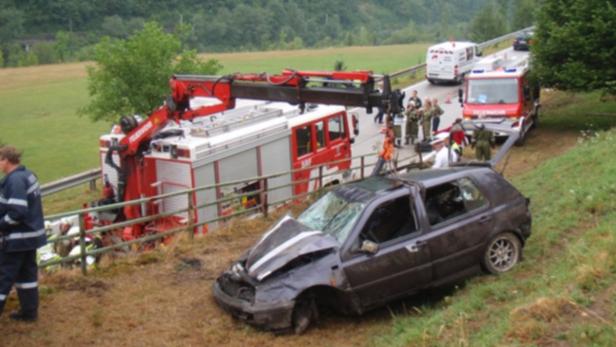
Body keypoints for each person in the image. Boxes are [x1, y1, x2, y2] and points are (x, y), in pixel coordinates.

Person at [0, 146, 46, 322]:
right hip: (31, 238)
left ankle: (28, 312)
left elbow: (17, 212)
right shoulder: (28, 175)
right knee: (27, 276)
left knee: (3, 278)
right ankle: (29, 312)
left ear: (6, 160)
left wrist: (1, 225)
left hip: (17, 239)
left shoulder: (15, 181)